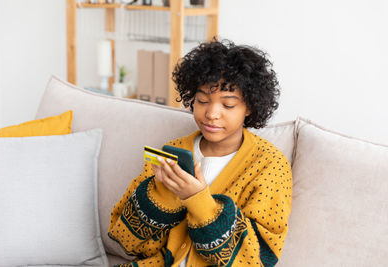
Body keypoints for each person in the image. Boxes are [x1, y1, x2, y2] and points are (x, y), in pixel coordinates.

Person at [108, 39, 292, 267]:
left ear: (250, 107)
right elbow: (126, 240)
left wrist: (198, 200)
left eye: (228, 105)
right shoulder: (171, 153)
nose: (212, 113)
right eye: (203, 100)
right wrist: (163, 195)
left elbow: (255, 259)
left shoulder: (269, 165)